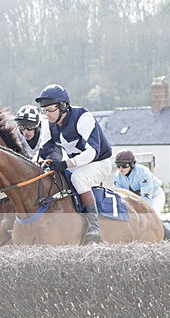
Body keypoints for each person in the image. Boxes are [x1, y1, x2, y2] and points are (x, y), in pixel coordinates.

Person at [35, 84, 113, 244]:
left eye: (50, 109)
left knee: (78, 179)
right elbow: (43, 151)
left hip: (100, 162)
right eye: (44, 110)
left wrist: (65, 164)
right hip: (78, 164)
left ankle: (94, 227)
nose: (47, 114)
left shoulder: (83, 117)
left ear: (63, 106)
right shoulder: (49, 125)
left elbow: (92, 152)